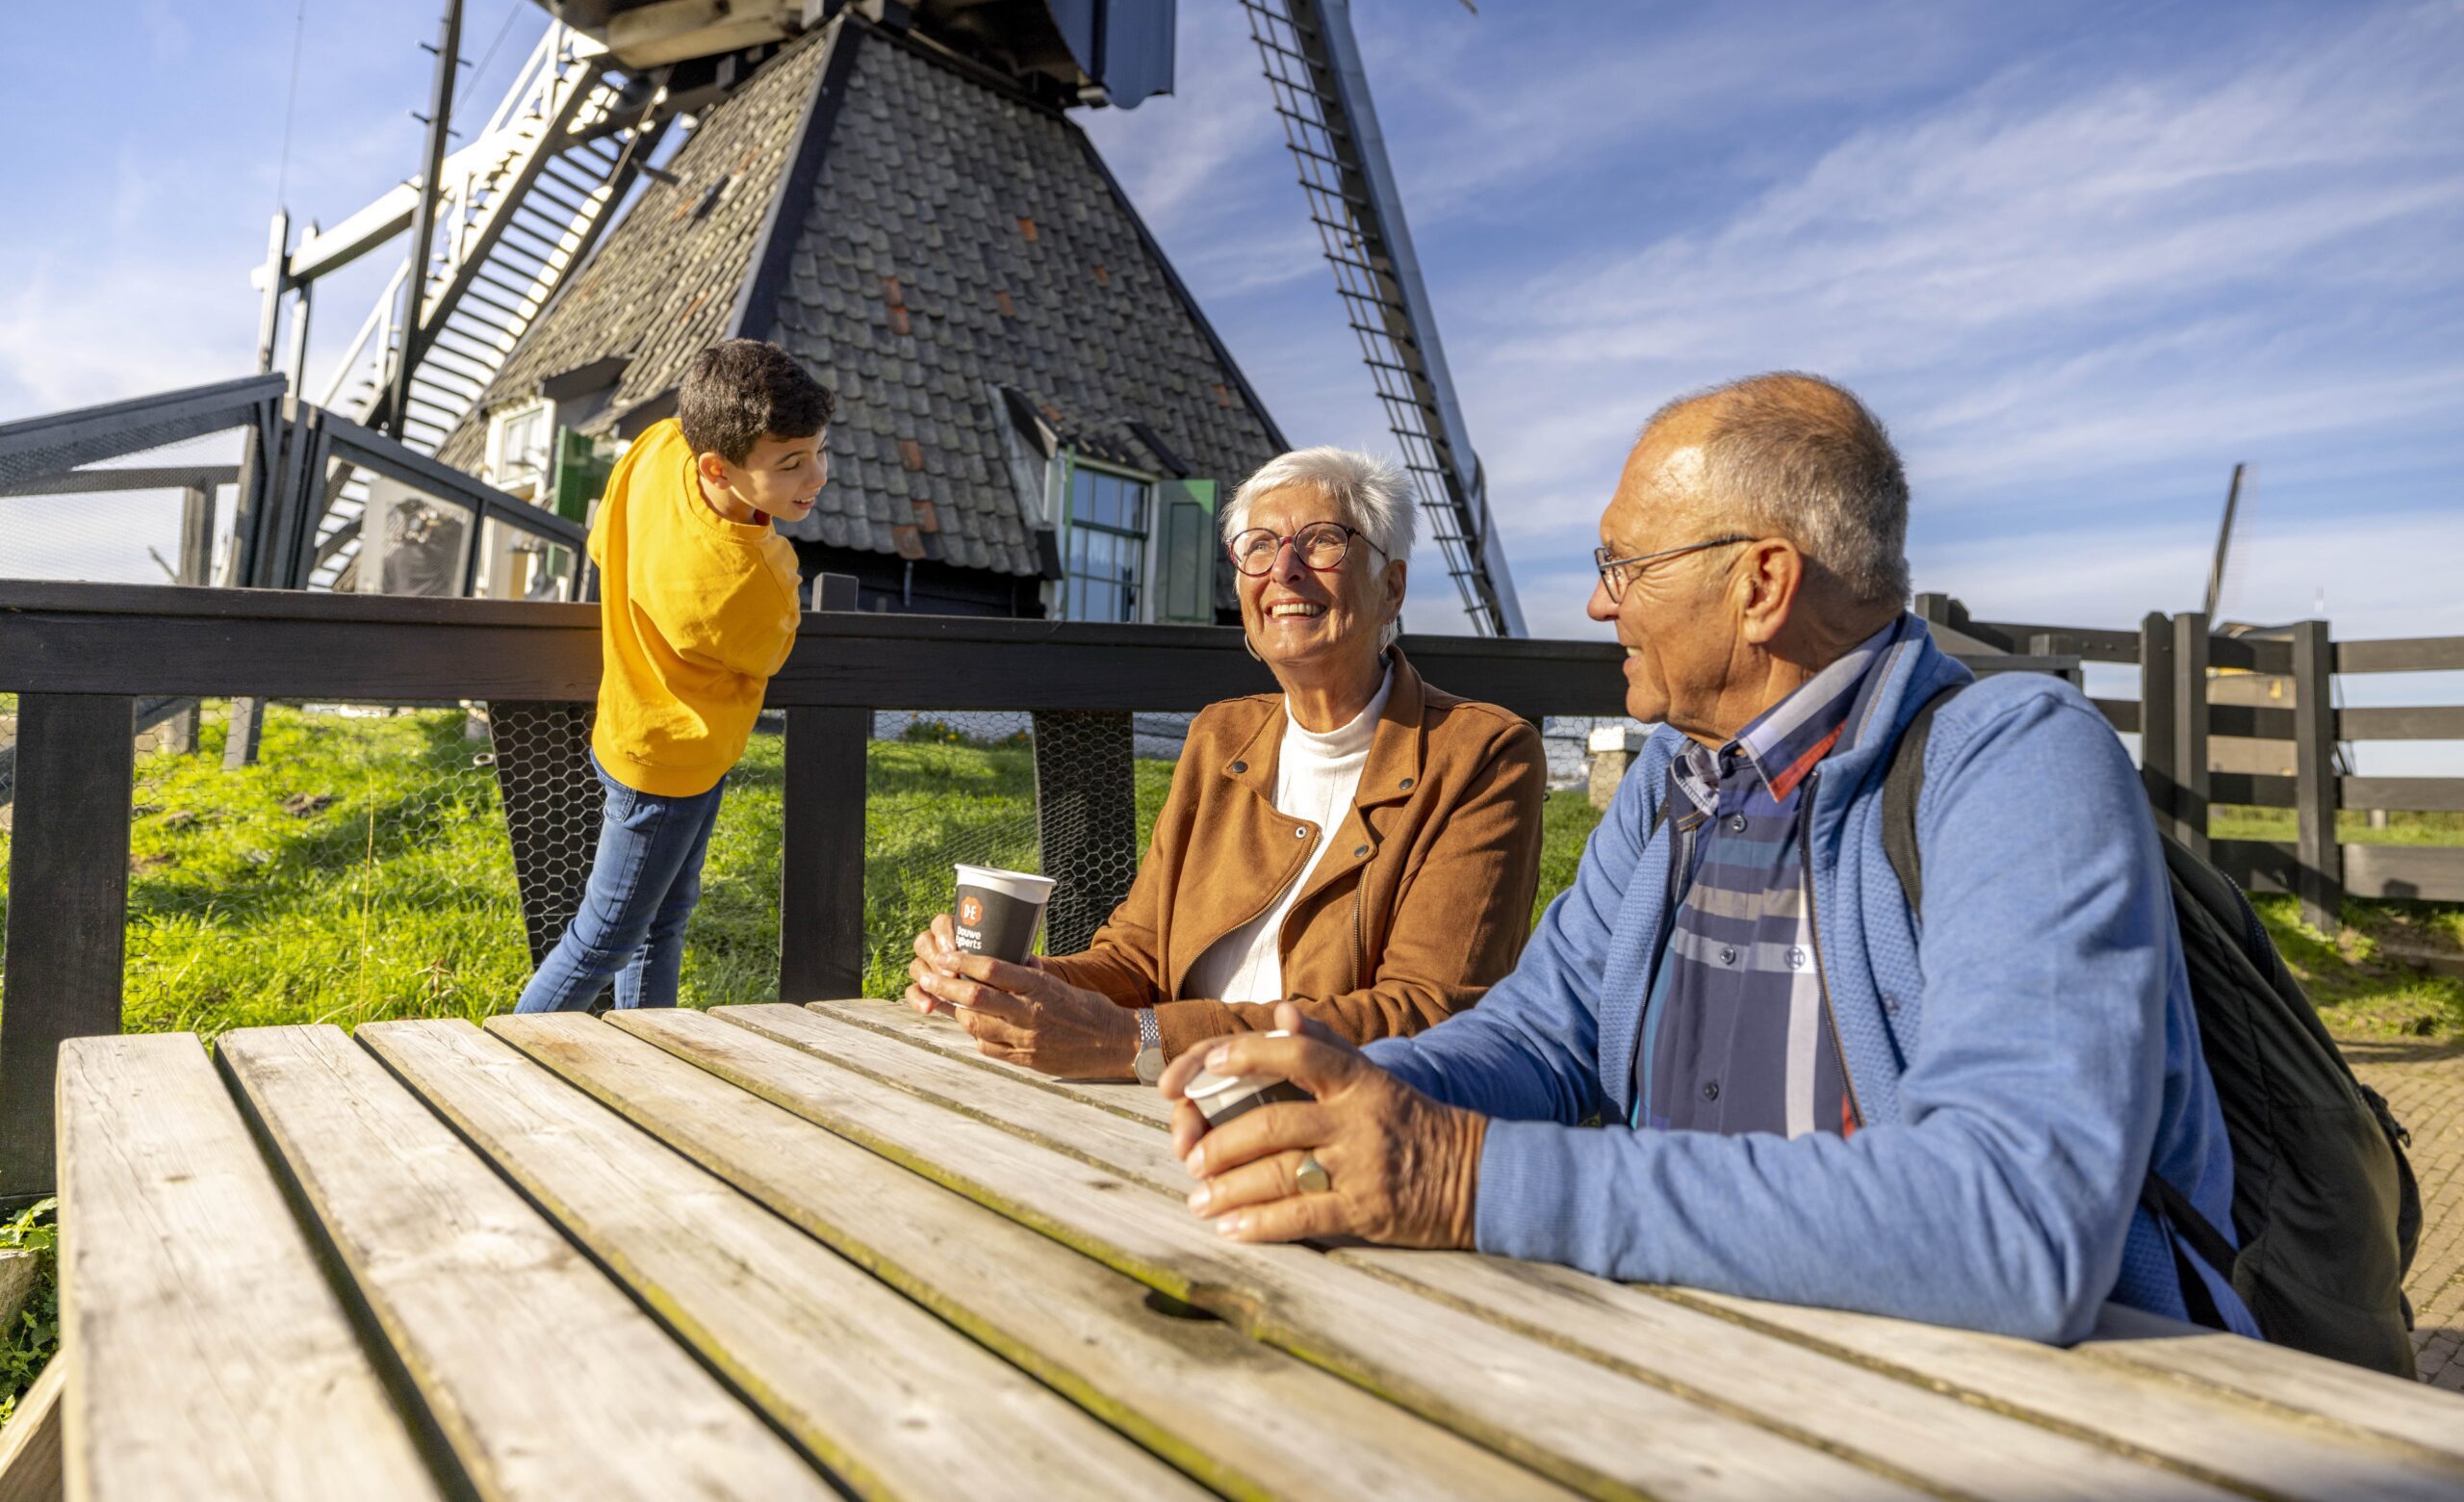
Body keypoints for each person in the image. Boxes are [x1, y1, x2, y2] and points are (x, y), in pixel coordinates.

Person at [1164, 375, 2256, 1344]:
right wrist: (1336, 1093)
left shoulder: (2013, 765)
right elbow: (1548, 1034)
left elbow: (2014, 1221)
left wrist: (1459, 1175)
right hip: (1701, 1350)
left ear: (1761, 585)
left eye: (1623, 565)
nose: (1598, 602)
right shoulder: (1676, 773)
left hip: (2004, 1406)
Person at [904, 447, 1547, 1083]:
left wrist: (1139, 1040)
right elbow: (1136, 959)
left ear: (1392, 588)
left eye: (1322, 541)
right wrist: (1009, 984)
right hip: (1167, 1097)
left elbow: (1426, 1015)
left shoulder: (1482, 755)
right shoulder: (1222, 736)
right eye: (1260, 546)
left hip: (1324, 1129)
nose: (1285, 570)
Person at [515, 340, 831, 1012]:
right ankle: (503, 1066)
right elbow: (770, 654)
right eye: (793, 463)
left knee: (662, 918)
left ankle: (650, 1049)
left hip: (628, 725)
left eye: (818, 452)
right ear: (719, 466)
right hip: (671, 766)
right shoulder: (753, 576)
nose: (817, 477)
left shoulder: (661, 447)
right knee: (602, 940)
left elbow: (603, 543)